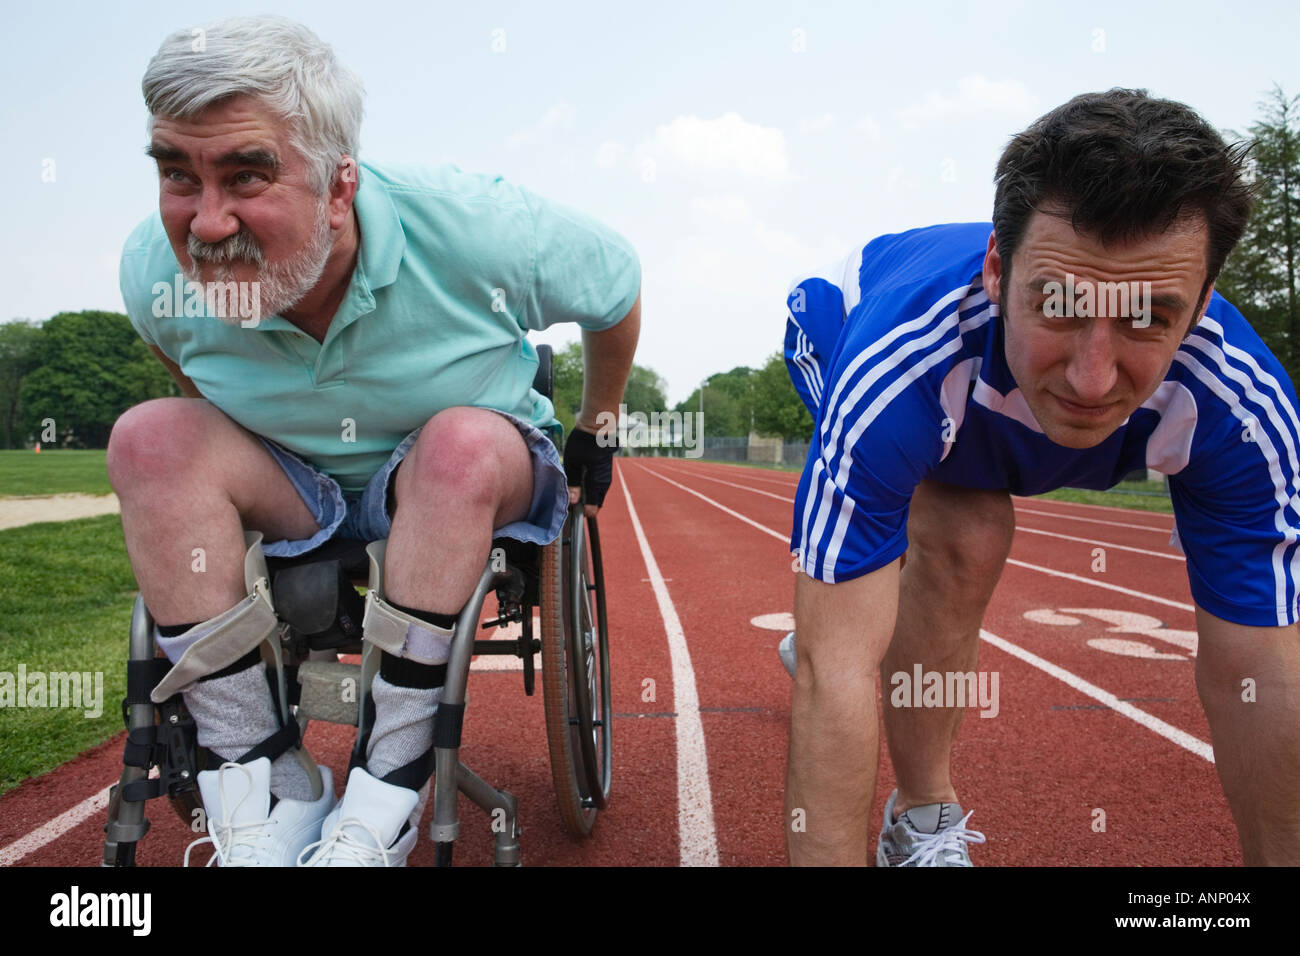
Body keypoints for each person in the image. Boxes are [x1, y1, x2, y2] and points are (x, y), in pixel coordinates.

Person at [111, 15, 640, 867]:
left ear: (338, 188)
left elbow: (616, 287)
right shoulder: (153, 269)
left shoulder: (477, 225)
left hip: (467, 467)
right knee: (150, 440)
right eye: (179, 175)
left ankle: (385, 795)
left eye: (247, 176)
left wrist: (596, 428)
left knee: (458, 446)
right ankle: (264, 788)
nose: (206, 224)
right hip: (295, 487)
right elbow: (184, 377)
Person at [781, 89, 1300, 866]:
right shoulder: (896, 368)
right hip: (842, 320)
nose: (1093, 380)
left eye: (1147, 318)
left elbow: (1258, 665)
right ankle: (924, 813)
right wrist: (839, 647)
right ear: (998, 269)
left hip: (973, 386)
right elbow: (835, 677)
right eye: (1058, 305)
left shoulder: (1242, 408)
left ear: (1202, 307)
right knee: (962, 534)